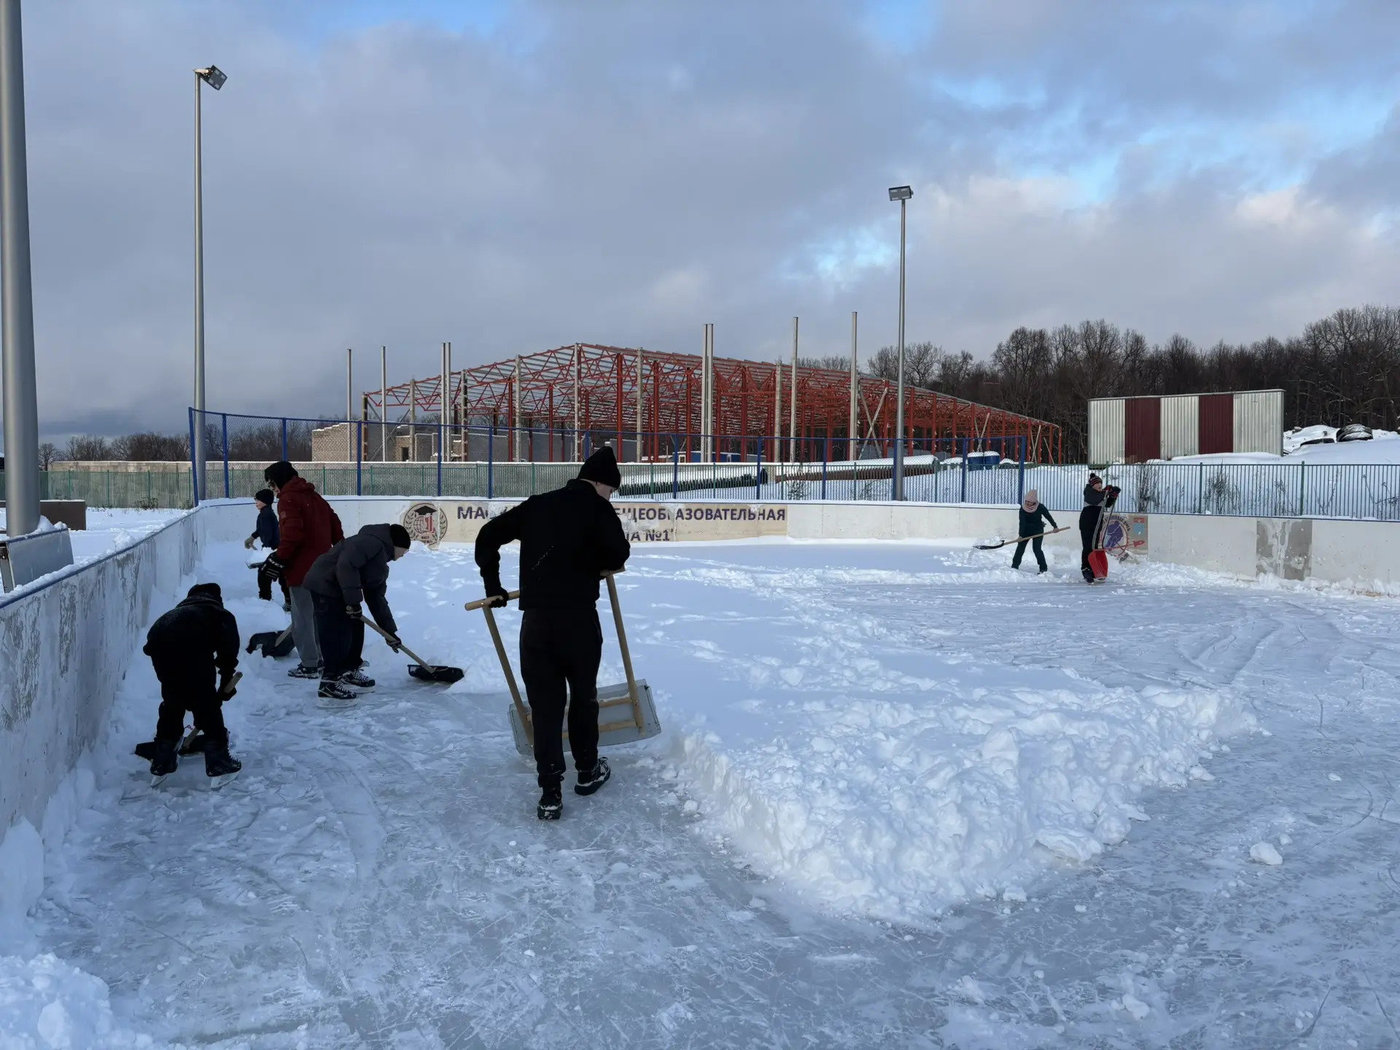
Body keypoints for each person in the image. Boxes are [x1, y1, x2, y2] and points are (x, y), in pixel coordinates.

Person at [475, 445, 631, 821]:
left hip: (537, 624)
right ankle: (587, 770)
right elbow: (619, 554)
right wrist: (590, 562)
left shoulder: (538, 504)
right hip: (579, 621)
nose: (610, 496)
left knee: (545, 707)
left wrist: (493, 586)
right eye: (611, 490)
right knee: (583, 698)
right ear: (600, 483)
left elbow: (487, 535)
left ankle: (549, 793)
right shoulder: (598, 508)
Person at [139, 583, 242, 780]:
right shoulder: (220, 614)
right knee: (206, 702)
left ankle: (163, 758)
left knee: (173, 700)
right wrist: (225, 685)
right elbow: (228, 655)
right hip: (189, 642)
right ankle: (218, 762)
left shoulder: (178, 613)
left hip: (159, 639)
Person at [302, 523, 410, 704]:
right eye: (403, 552)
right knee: (337, 632)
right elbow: (346, 565)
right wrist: (353, 601)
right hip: (325, 585)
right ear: (395, 545)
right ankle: (329, 682)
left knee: (355, 624)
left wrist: (389, 632)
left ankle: (348, 669)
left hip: (340, 590)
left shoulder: (380, 562)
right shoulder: (370, 543)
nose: (401, 557)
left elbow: (376, 598)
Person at [258, 461, 343, 679]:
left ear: (279, 480)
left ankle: (310, 664)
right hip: (323, 569)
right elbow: (335, 525)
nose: (273, 490)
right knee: (317, 616)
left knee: (302, 618)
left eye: (272, 484)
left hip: (301, 570)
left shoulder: (288, 499)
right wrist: (337, 554)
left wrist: (279, 558)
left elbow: (292, 535)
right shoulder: (315, 497)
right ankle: (321, 658)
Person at [246, 488, 290, 609]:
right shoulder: (266, 513)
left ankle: (265, 601)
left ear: (265, 501)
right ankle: (288, 601)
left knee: (264, 574)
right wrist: (253, 537)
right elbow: (261, 530)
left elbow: (267, 534)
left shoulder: (265, 515)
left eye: (258, 500)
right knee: (280, 576)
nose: (256, 502)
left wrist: (266, 549)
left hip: (274, 549)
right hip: (274, 548)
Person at [1079, 473, 1120, 582]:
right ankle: (1085, 568)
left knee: (1094, 546)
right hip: (1087, 522)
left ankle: (1093, 568)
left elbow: (1107, 504)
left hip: (1097, 524)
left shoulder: (1101, 494)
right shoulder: (1089, 492)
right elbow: (1094, 499)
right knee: (1088, 546)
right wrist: (1106, 492)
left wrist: (1113, 496)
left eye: (1100, 484)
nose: (1099, 485)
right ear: (1092, 485)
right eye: (1097, 484)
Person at [1011, 489, 1057, 573]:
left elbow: (1048, 516)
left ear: (1034, 501)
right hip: (1025, 531)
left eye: (1030, 502)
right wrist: (1020, 535)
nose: (1027, 503)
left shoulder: (1040, 507)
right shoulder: (1023, 509)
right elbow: (1022, 522)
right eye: (1026, 501)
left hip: (1038, 530)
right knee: (1020, 548)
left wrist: (1055, 526)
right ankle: (1014, 566)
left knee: (1037, 549)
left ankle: (1043, 568)